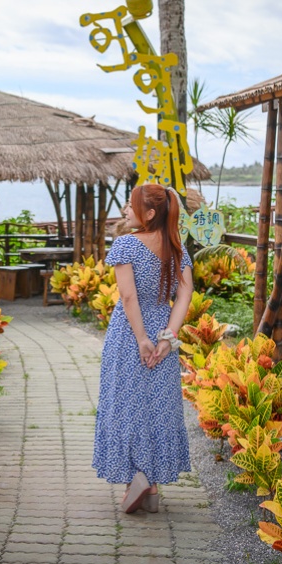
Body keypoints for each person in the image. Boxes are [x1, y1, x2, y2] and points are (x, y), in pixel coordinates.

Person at [92, 183, 194, 513]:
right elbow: (184, 295)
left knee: (126, 405)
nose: (124, 209)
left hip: (128, 333)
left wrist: (142, 339)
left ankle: (134, 480)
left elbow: (128, 297)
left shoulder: (125, 244)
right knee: (156, 408)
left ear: (149, 214)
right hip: (163, 330)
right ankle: (151, 490)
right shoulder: (177, 246)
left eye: (130, 205)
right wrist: (167, 337)